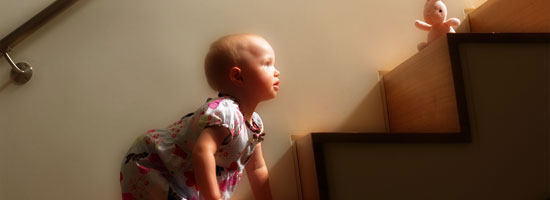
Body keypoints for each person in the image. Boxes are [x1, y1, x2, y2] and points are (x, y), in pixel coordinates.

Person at [120, 34, 280, 200]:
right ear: (238, 76)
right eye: (267, 64)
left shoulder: (255, 126)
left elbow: (257, 168)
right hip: (154, 162)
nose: (277, 72)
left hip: (182, 176)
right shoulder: (226, 112)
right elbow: (203, 152)